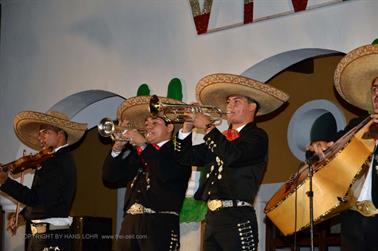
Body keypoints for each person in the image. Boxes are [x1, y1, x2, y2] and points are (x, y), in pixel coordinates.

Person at [177, 73, 289, 251]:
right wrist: (187, 127)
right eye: (228, 102)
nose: (229, 106)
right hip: (213, 218)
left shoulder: (257, 137)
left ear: (252, 107)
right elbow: (185, 157)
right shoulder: (220, 139)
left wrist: (207, 127)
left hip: (237, 217)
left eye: (236, 101)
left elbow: (233, 156)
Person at [306, 44, 378, 251]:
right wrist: (318, 145)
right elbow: (329, 146)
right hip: (353, 219)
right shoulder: (357, 124)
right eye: (374, 89)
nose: (377, 94)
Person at [102, 96, 192, 251]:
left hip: (159, 224)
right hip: (130, 224)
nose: (148, 128)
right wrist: (117, 148)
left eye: (154, 123)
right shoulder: (138, 154)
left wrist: (143, 146)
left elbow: (164, 174)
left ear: (169, 127)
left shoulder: (179, 153)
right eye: (146, 124)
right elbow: (110, 178)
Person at [0, 110, 87, 251]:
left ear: (60, 135)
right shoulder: (53, 160)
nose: (40, 137)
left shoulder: (58, 161)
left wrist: (5, 182)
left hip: (51, 237)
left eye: (45, 132)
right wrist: (23, 216)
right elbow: (45, 202)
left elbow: (37, 199)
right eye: (39, 133)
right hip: (46, 235)